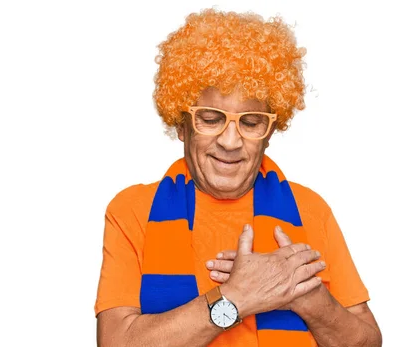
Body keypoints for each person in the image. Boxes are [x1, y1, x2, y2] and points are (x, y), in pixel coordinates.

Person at [94, 8, 382, 347]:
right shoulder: (132, 210)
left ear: (270, 130)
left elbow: (367, 341)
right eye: (211, 118)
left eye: (250, 122)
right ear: (181, 125)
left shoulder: (311, 209)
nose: (230, 142)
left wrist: (306, 297)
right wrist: (236, 297)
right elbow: (116, 342)